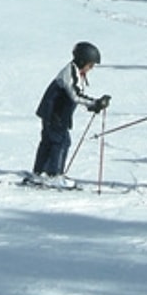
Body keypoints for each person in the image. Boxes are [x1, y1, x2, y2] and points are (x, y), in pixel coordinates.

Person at [30, 42, 110, 188]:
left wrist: (92, 106)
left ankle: (40, 173)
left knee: (49, 142)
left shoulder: (76, 71)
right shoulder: (70, 72)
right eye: (90, 65)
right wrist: (95, 103)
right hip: (55, 113)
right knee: (60, 142)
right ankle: (54, 175)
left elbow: (76, 95)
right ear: (82, 61)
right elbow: (75, 95)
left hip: (55, 113)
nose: (91, 69)